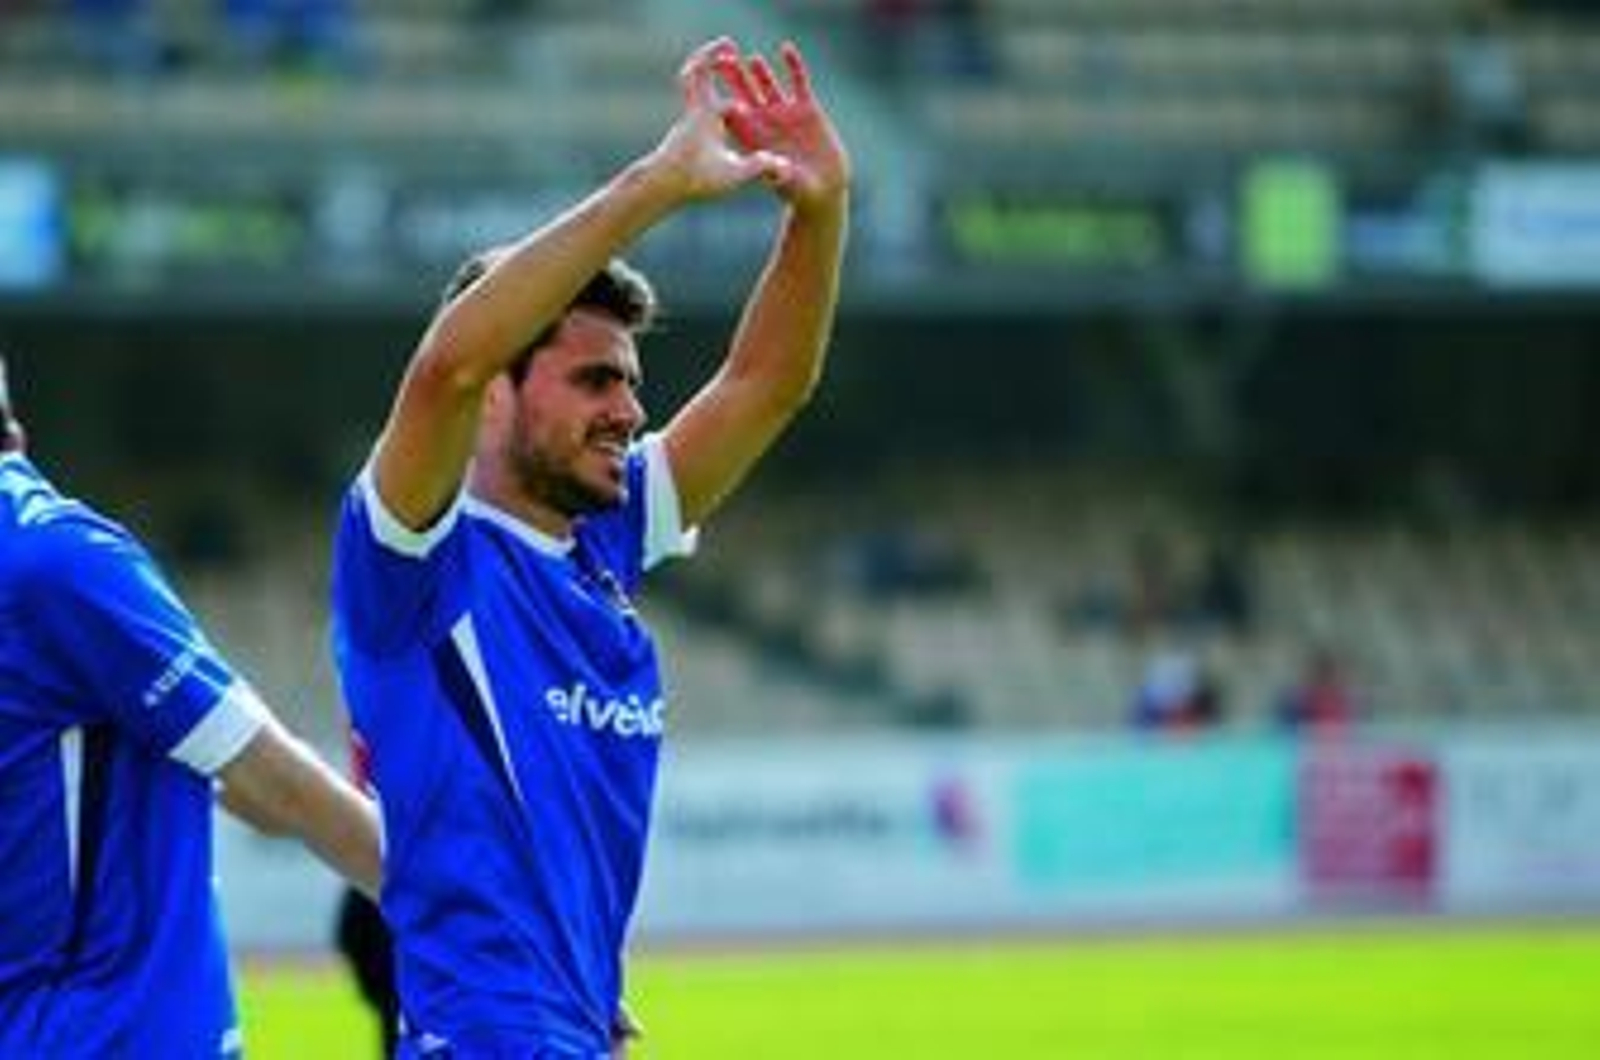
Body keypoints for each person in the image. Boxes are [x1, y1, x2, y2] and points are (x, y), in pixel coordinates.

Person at [330, 35, 849, 1057]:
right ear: (496, 396)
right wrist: (658, 183)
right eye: (592, 381)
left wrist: (820, 210)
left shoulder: (598, 541)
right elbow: (446, 364)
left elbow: (764, 385)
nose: (629, 408)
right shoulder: (415, 562)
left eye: (630, 381)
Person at [0, 351, 382, 1056]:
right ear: (14, 428)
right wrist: (498, 937)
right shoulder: (53, 560)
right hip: (111, 1036)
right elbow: (272, 784)